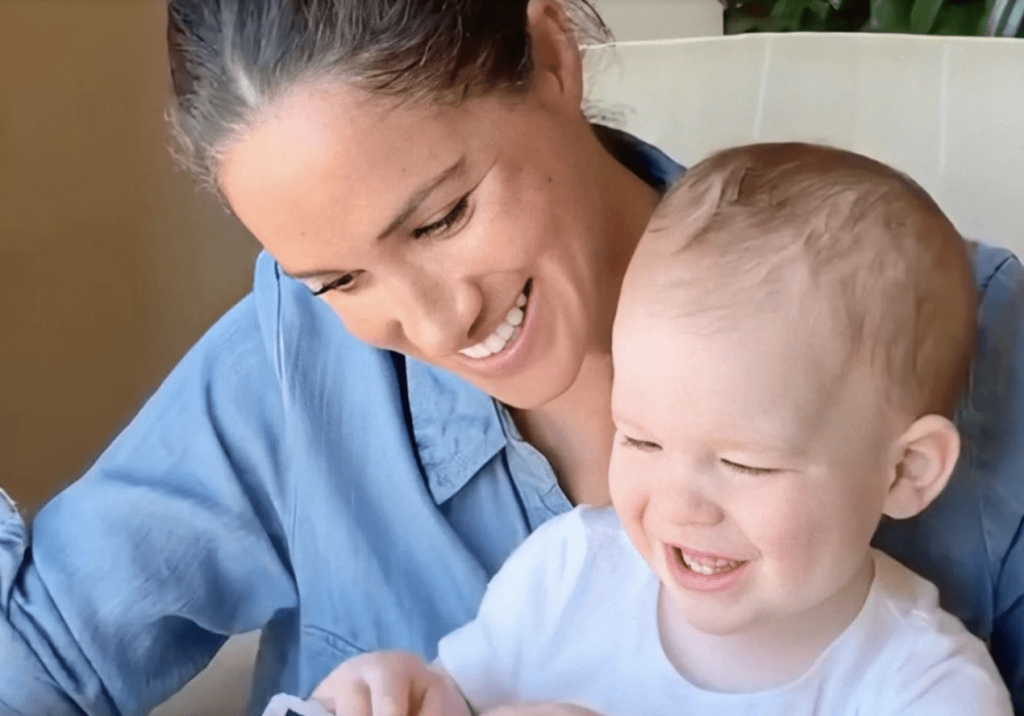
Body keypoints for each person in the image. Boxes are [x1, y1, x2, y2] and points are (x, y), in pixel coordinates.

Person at [0, 1, 1021, 714]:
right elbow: (40, 657)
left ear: (549, 55)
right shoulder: (294, 358)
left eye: (442, 217)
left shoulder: (974, 348)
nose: (434, 323)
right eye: (338, 278)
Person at [308, 143, 1014, 716]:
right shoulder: (569, 574)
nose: (677, 504)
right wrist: (396, 696)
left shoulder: (924, 690)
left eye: (744, 463)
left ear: (906, 470)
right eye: (640, 439)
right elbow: (451, 697)